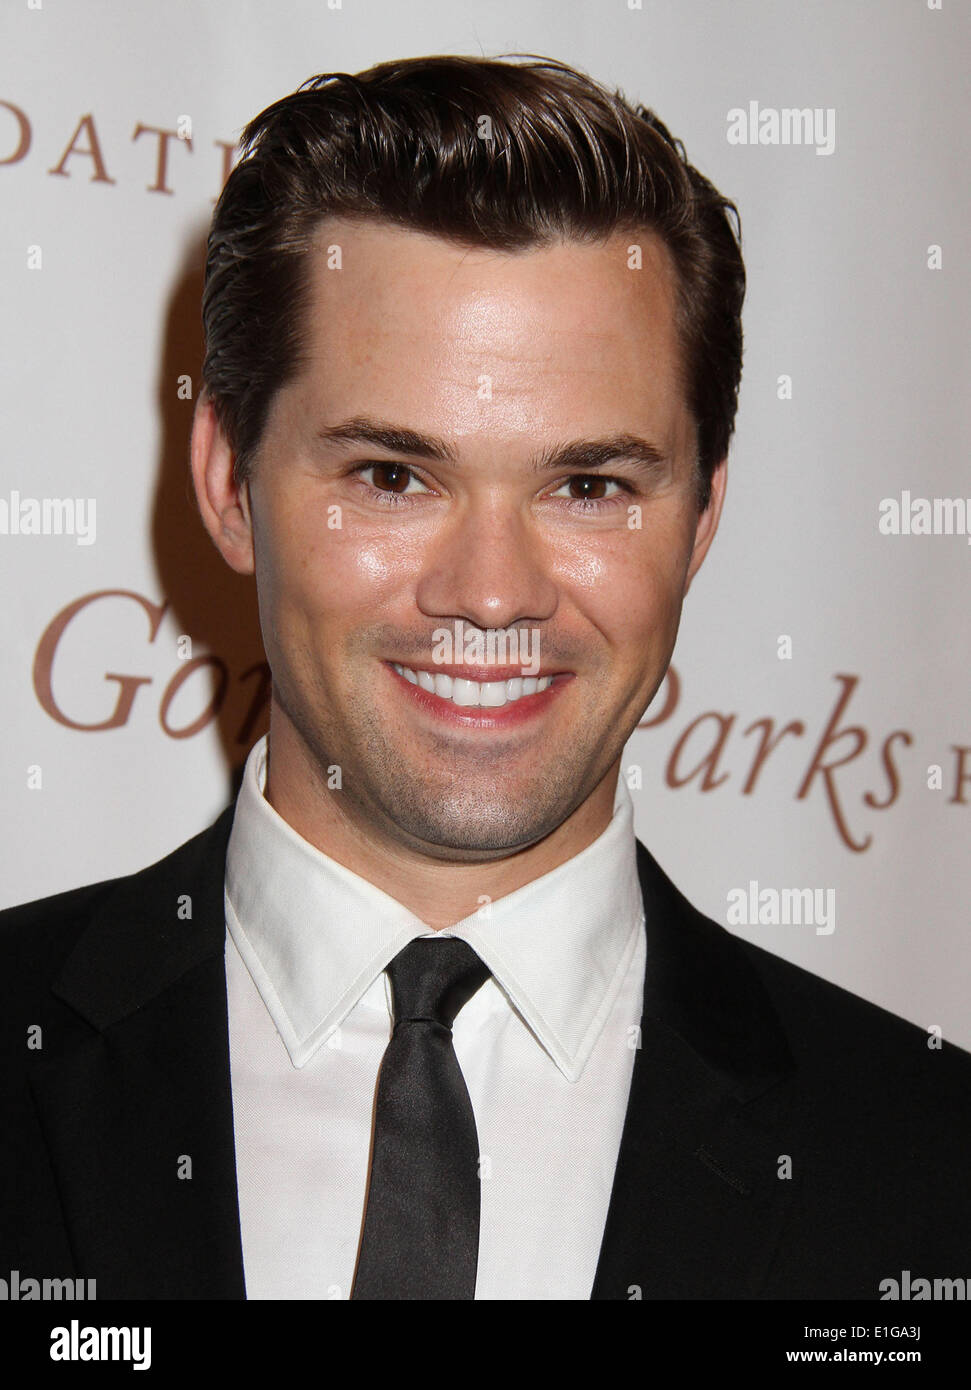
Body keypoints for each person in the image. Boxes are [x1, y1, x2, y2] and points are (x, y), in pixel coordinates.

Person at [2, 53, 969, 1302]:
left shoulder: (929, 1164)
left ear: (701, 517)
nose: (492, 590)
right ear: (229, 482)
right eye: (393, 476)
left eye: (588, 487)